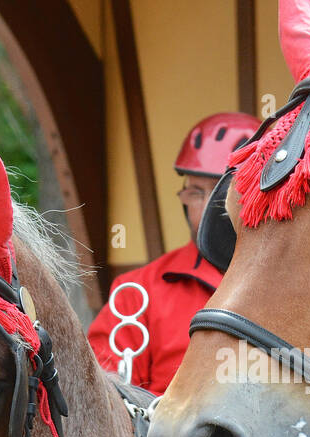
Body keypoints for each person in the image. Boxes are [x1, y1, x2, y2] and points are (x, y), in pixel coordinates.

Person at [86, 112, 260, 394]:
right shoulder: (136, 292)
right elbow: (102, 399)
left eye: (223, 192)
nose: (206, 210)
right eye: (194, 192)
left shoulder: (299, 285)